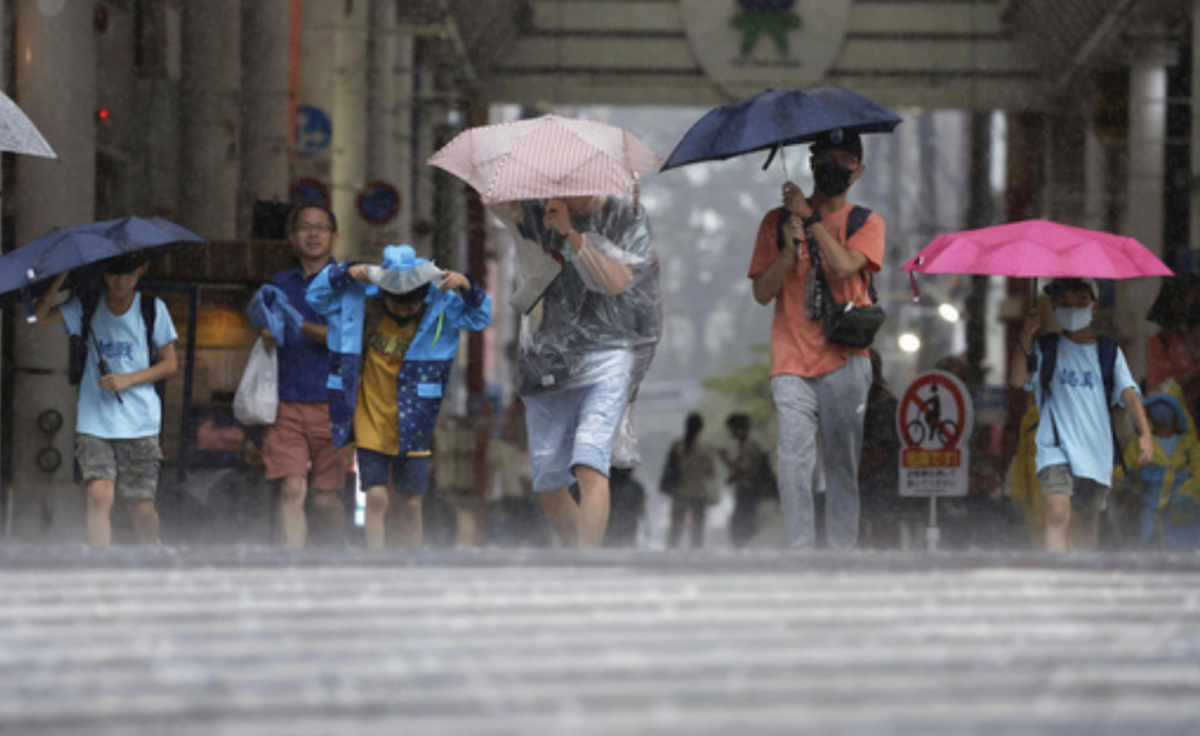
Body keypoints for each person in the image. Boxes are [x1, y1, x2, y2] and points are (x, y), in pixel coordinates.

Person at [491, 195, 660, 548]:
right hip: (549, 360)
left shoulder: (625, 215)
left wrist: (571, 233)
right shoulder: (540, 210)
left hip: (608, 355)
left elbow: (616, 281)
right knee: (549, 482)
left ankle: (588, 561)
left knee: (589, 462)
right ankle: (578, 551)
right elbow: (493, 201)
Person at [747, 128, 884, 549]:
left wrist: (811, 219)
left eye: (844, 161)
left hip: (846, 359)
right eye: (825, 158)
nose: (833, 167)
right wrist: (789, 248)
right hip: (791, 362)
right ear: (810, 163)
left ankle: (841, 554)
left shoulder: (866, 222)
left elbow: (845, 266)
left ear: (857, 172)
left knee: (842, 465)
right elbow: (762, 293)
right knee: (793, 463)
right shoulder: (775, 222)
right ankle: (801, 552)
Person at [307, 244, 491, 549]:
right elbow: (316, 297)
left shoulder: (441, 306)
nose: (404, 309)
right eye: (396, 303)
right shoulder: (359, 303)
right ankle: (375, 561)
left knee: (410, 501)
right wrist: (345, 272)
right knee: (376, 496)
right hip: (370, 418)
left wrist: (467, 285)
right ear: (383, 295)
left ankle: (411, 560)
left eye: (412, 303)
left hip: (415, 420)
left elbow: (480, 317)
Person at [33, 254, 178, 547]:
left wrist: (128, 379)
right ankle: (102, 562)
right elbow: (39, 317)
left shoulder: (152, 308)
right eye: (113, 274)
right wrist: (61, 276)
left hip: (140, 421)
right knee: (99, 493)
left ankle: (153, 551)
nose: (120, 281)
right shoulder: (87, 305)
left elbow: (170, 364)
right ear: (103, 274)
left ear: (142, 269)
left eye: (127, 273)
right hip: (95, 419)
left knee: (141, 505)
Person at [1011, 277, 1154, 553]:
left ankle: (1083, 576)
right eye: (1064, 302)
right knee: (1058, 511)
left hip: (1094, 449)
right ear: (1053, 306)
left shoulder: (1108, 352)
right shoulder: (1045, 349)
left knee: (1088, 522)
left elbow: (1129, 394)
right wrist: (1026, 334)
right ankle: (1056, 576)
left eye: (1080, 300)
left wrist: (1145, 434)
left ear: (1094, 305)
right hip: (1055, 449)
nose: (1072, 307)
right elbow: (1017, 380)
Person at [250, 203, 351, 548]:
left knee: (325, 499)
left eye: (321, 227)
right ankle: (293, 568)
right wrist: (269, 331)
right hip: (285, 402)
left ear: (334, 237)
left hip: (334, 403)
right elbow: (275, 327)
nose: (313, 234)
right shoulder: (281, 283)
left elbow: (343, 338)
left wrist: (301, 326)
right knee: (292, 488)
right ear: (292, 238)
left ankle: (339, 553)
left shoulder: (347, 283)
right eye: (305, 227)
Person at [1115, 382, 1200, 551]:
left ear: (1178, 412)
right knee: (1153, 553)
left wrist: (1187, 493)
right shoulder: (1140, 444)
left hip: (1184, 512)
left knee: (1185, 553)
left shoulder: (1189, 444)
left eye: (1167, 404)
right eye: (1157, 404)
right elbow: (1124, 472)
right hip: (1151, 510)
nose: (1161, 409)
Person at [858, 350, 903, 549]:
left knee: (883, 527)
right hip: (867, 482)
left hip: (883, 481)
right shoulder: (860, 403)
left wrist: (857, 472)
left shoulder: (885, 405)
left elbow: (880, 448)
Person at [1145, 273, 1200, 418]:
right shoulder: (1160, 344)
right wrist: (1191, 375)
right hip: (1175, 424)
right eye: (1193, 297)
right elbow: (1158, 389)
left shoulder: (1191, 337)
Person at [718, 412, 775, 548]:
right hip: (747, 490)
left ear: (739, 429)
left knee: (743, 519)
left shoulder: (749, 446)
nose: (730, 433)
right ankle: (744, 544)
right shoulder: (744, 446)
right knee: (744, 519)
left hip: (749, 490)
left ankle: (744, 545)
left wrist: (726, 460)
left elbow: (745, 469)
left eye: (731, 429)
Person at [664, 413, 717, 549]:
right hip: (699, 492)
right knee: (697, 528)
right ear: (701, 429)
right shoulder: (705, 448)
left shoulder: (677, 445)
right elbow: (710, 473)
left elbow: (670, 469)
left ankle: (672, 552)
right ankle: (696, 553)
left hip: (680, 491)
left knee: (676, 527)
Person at [605, 466, 646, 548]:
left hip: (610, 526)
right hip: (629, 527)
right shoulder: (635, 487)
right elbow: (641, 509)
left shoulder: (606, 486)